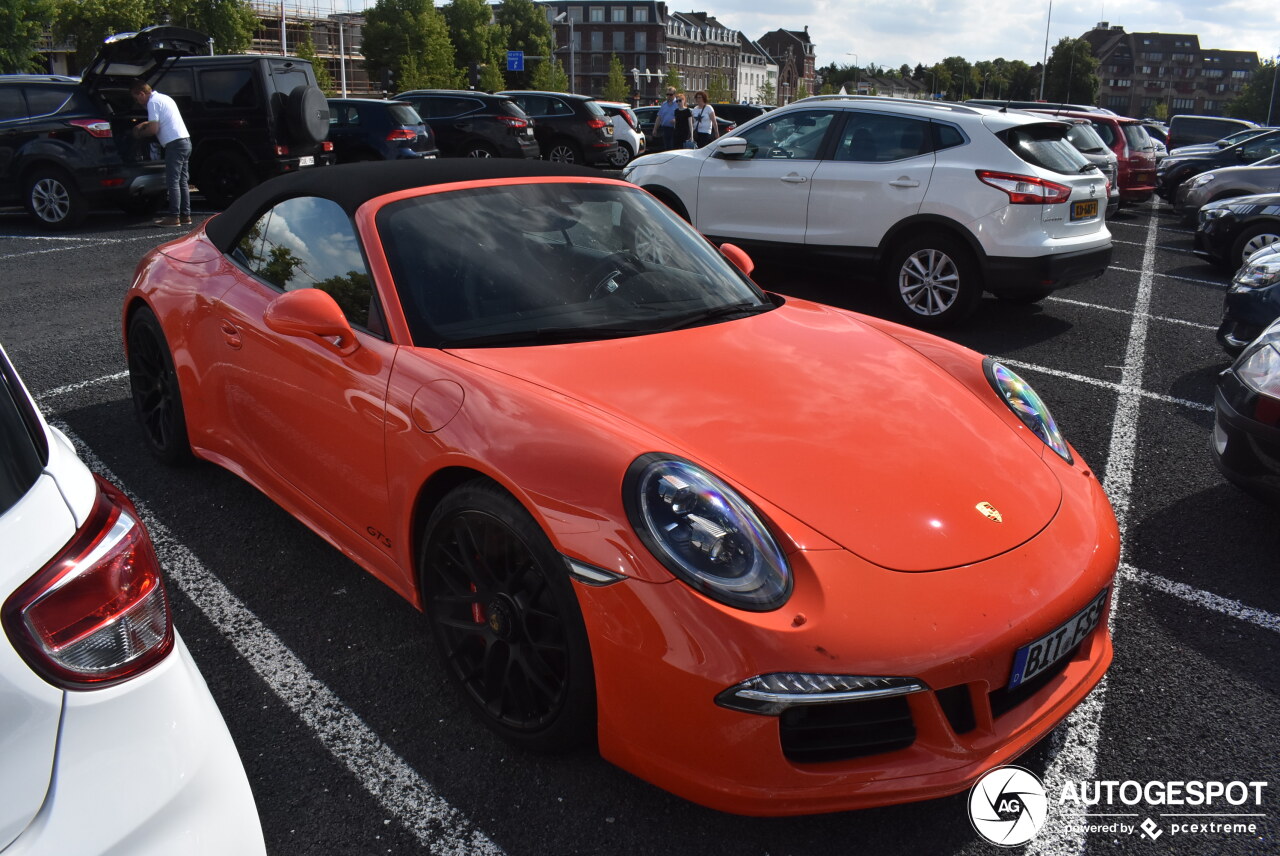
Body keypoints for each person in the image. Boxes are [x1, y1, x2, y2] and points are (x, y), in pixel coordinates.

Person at [130, 81, 191, 227]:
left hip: (174, 144)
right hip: (185, 141)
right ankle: (185, 215)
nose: (137, 102)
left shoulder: (153, 103)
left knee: (173, 181)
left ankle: (174, 216)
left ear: (141, 93)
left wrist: (139, 133)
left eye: (136, 98)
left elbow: (153, 129)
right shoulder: (165, 98)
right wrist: (146, 124)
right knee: (182, 181)